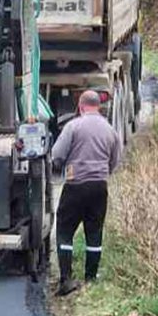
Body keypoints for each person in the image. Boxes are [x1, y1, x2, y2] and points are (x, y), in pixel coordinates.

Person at [51, 89, 123, 296]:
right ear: (98, 106)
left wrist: (57, 166)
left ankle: (66, 279)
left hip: (76, 184)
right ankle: (91, 277)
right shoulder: (110, 130)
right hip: (99, 186)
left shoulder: (73, 126)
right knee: (94, 231)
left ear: (81, 106)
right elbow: (115, 161)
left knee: (64, 230)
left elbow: (57, 155)